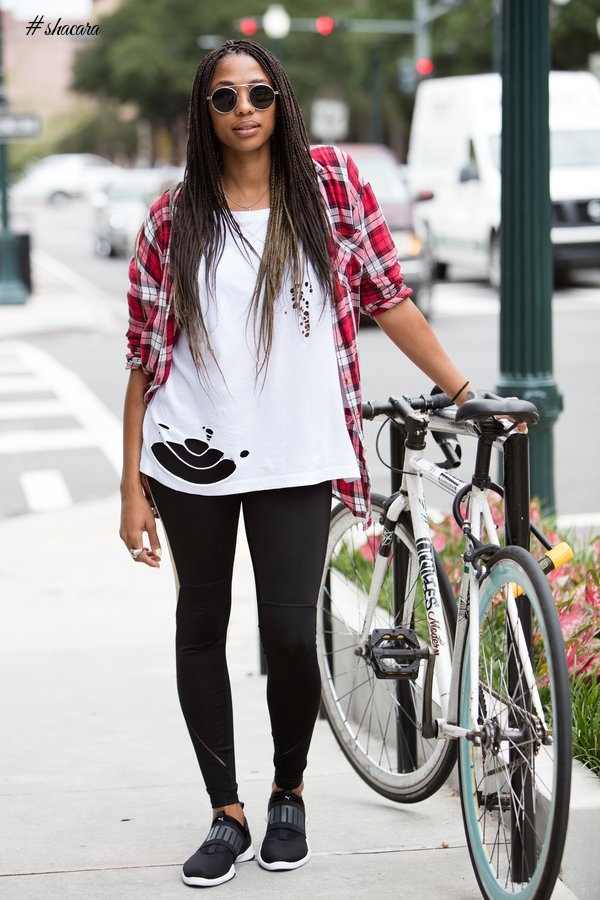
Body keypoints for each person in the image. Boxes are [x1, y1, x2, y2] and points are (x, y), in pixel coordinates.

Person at [119, 38, 473, 889]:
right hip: (189, 456)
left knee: (288, 632)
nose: (245, 110)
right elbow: (142, 354)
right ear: (204, 114)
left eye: (260, 94)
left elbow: (390, 298)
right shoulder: (175, 216)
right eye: (225, 99)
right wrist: (130, 484)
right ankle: (225, 812)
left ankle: (287, 790)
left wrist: (465, 390)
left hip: (298, 452)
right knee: (200, 626)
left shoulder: (333, 189)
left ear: (282, 101)